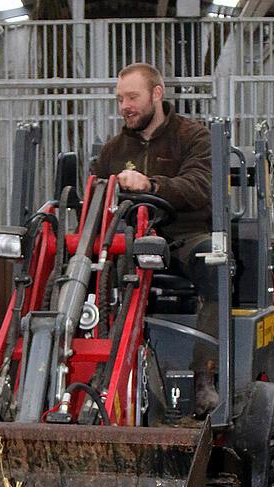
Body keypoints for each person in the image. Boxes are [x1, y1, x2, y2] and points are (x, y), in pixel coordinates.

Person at [91, 62, 219, 417]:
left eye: (132, 97)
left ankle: (203, 377)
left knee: (216, 263)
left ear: (157, 94)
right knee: (85, 270)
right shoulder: (113, 151)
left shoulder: (194, 138)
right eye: (120, 99)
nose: (124, 106)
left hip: (183, 237)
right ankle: (96, 367)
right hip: (131, 240)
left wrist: (151, 184)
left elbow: (199, 186)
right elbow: (95, 196)